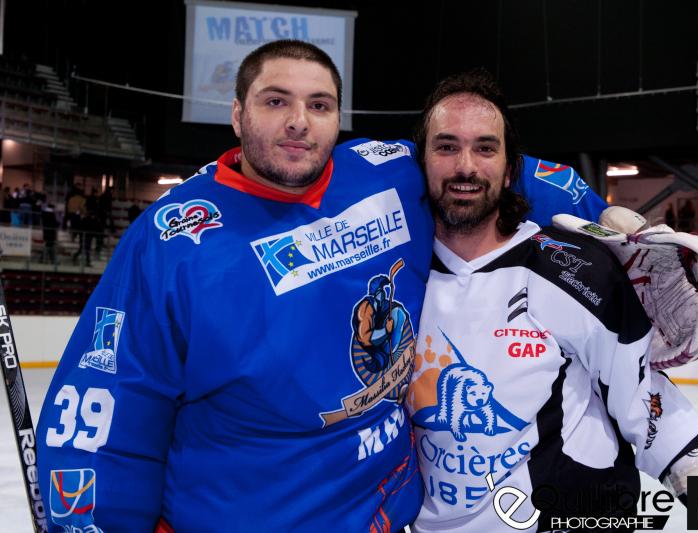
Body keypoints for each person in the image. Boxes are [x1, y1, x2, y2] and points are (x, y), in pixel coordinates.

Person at [36, 41, 607, 532]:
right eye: (275, 101)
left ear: (338, 118)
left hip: (389, 513)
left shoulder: (385, 172)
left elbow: (487, 168)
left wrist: (611, 228)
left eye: (319, 105)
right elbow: (107, 411)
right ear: (237, 115)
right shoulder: (173, 239)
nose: (298, 121)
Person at [407, 71, 698, 532]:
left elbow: (649, 409)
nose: (466, 166)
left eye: (485, 148)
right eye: (446, 147)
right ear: (421, 161)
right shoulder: (399, 278)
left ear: (510, 169)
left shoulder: (574, 270)